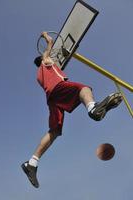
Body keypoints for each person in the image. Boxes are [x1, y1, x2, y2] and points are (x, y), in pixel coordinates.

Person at [21, 32, 123, 188]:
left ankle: (32, 163)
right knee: (83, 88)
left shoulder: (39, 75)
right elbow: (49, 43)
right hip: (58, 88)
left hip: (52, 99)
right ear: (43, 59)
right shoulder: (46, 61)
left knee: (54, 131)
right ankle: (92, 108)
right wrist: (46, 36)